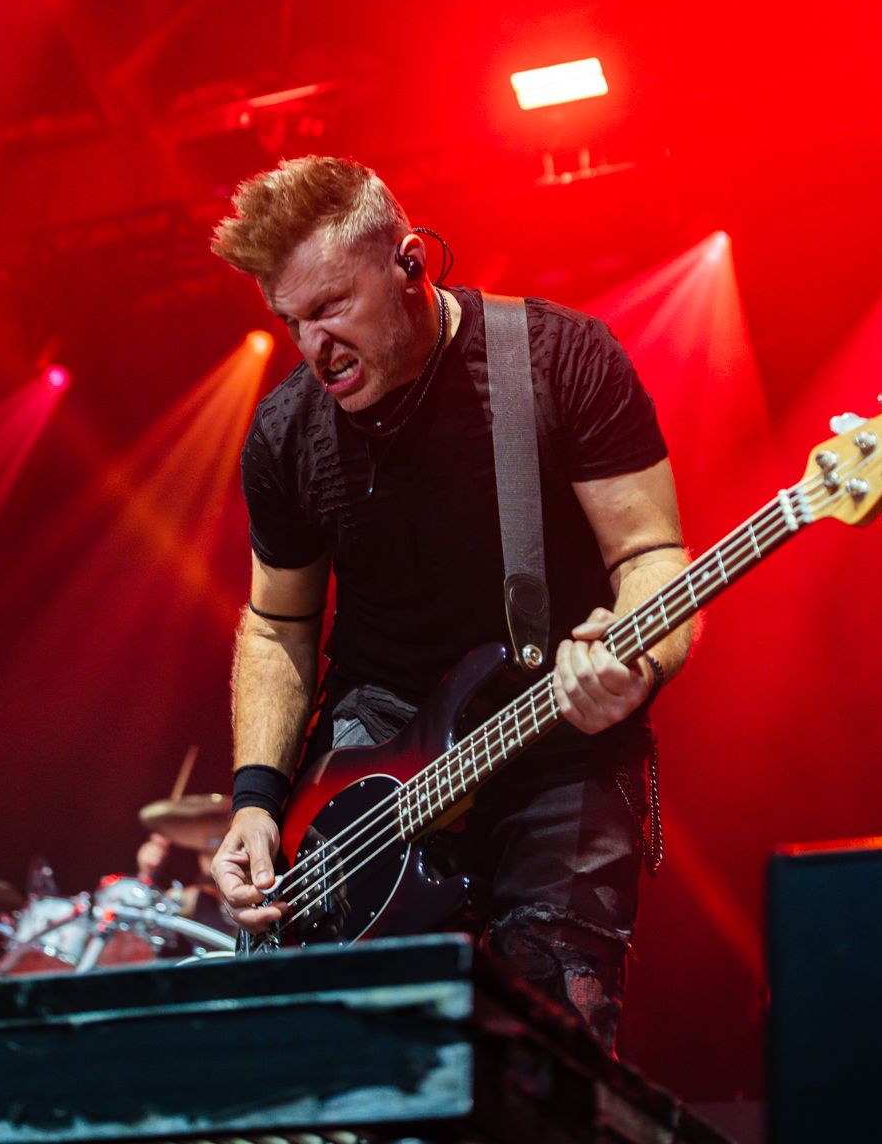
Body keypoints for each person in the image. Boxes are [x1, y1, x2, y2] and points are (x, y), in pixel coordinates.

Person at [204, 155, 695, 1054]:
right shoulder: (283, 433)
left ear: (410, 263)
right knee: (354, 1061)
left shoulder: (558, 359)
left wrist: (640, 661)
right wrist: (255, 802)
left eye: (331, 307)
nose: (312, 346)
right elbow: (277, 623)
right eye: (289, 321)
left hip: (555, 739)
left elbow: (650, 555)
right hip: (371, 770)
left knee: (550, 1052)